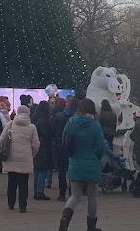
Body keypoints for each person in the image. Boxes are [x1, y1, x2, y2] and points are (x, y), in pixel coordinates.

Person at [58, 98, 106, 231]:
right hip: (92, 163)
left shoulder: (71, 122)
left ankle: (65, 219)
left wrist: (71, 155)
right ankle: (91, 226)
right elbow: (102, 146)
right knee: (92, 196)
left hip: (75, 162)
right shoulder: (95, 125)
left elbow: (64, 140)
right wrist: (97, 157)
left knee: (75, 195)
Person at [1, 104, 39, 213]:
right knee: (24, 183)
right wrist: (31, 155)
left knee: (11, 181)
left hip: (11, 156)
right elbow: (36, 145)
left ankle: (11, 203)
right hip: (25, 158)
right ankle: (23, 206)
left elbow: (2, 138)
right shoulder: (32, 127)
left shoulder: (11, 124)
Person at [32, 100, 53, 201]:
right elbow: (47, 134)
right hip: (44, 146)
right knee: (43, 169)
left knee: (37, 169)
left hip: (36, 145)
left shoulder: (34, 117)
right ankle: (39, 191)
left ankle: (36, 189)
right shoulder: (45, 120)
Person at [51, 97, 70, 201]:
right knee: (70, 171)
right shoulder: (73, 117)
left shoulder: (58, 116)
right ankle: (73, 192)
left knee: (61, 171)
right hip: (71, 147)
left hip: (60, 146)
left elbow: (52, 130)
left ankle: (62, 193)